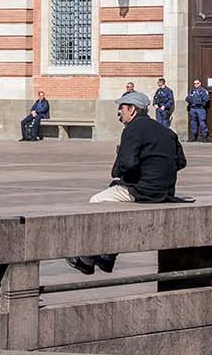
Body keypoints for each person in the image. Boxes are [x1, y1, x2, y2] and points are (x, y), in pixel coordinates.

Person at [66, 91, 188, 276]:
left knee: (97, 201)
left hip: (143, 191)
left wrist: (133, 177)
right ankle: (107, 257)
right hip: (165, 191)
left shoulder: (132, 130)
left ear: (132, 110)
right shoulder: (167, 131)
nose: (119, 113)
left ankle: (88, 258)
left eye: (121, 108)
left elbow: (128, 164)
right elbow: (181, 162)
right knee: (113, 196)